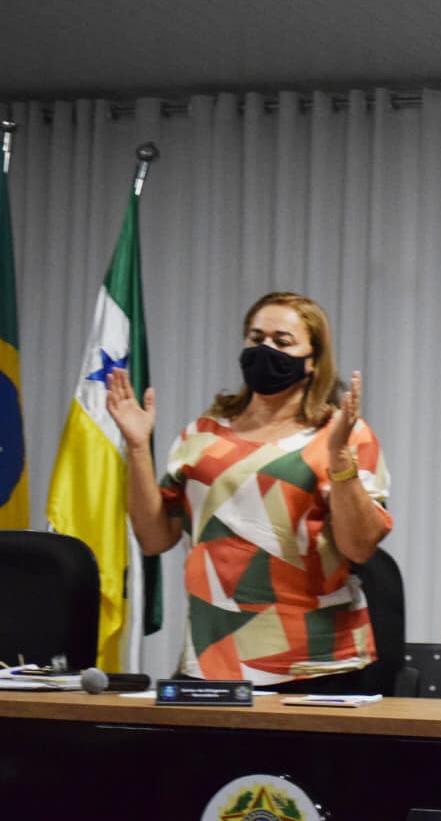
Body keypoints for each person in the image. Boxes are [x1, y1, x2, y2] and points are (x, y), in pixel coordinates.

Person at [105, 291, 393, 693]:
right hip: (211, 659)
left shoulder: (340, 433)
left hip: (315, 665)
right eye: (256, 338)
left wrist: (340, 458)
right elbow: (154, 539)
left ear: (312, 361)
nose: (265, 349)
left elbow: (359, 547)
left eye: (282, 341)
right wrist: (137, 447)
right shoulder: (202, 434)